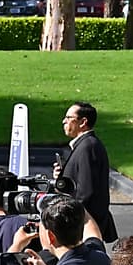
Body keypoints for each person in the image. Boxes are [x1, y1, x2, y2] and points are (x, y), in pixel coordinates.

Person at [54, 101, 118, 242]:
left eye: (69, 118)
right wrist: (62, 178)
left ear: (83, 122)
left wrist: (70, 221)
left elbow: (86, 191)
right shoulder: (85, 145)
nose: (64, 121)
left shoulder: (88, 147)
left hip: (83, 228)